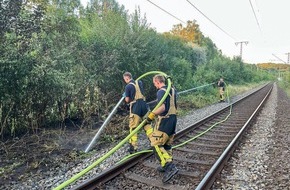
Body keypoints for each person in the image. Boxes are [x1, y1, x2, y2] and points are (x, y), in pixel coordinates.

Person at [146, 74, 179, 183]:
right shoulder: (173, 90)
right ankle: (166, 165)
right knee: (167, 144)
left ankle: (169, 166)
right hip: (173, 120)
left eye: (154, 83)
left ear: (157, 81)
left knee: (155, 144)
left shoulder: (161, 91)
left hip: (165, 121)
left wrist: (151, 115)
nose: (154, 85)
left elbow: (163, 107)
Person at [123, 72, 153, 154]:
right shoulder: (139, 82)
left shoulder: (128, 86)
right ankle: (154, 142)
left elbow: (127, 100)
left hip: (136, 107)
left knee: (133, 127)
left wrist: (125, 96)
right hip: (144, 106)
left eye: (125, 79)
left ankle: (133, 147)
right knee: (148, 126)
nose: (125, 81)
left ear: (127, 78)